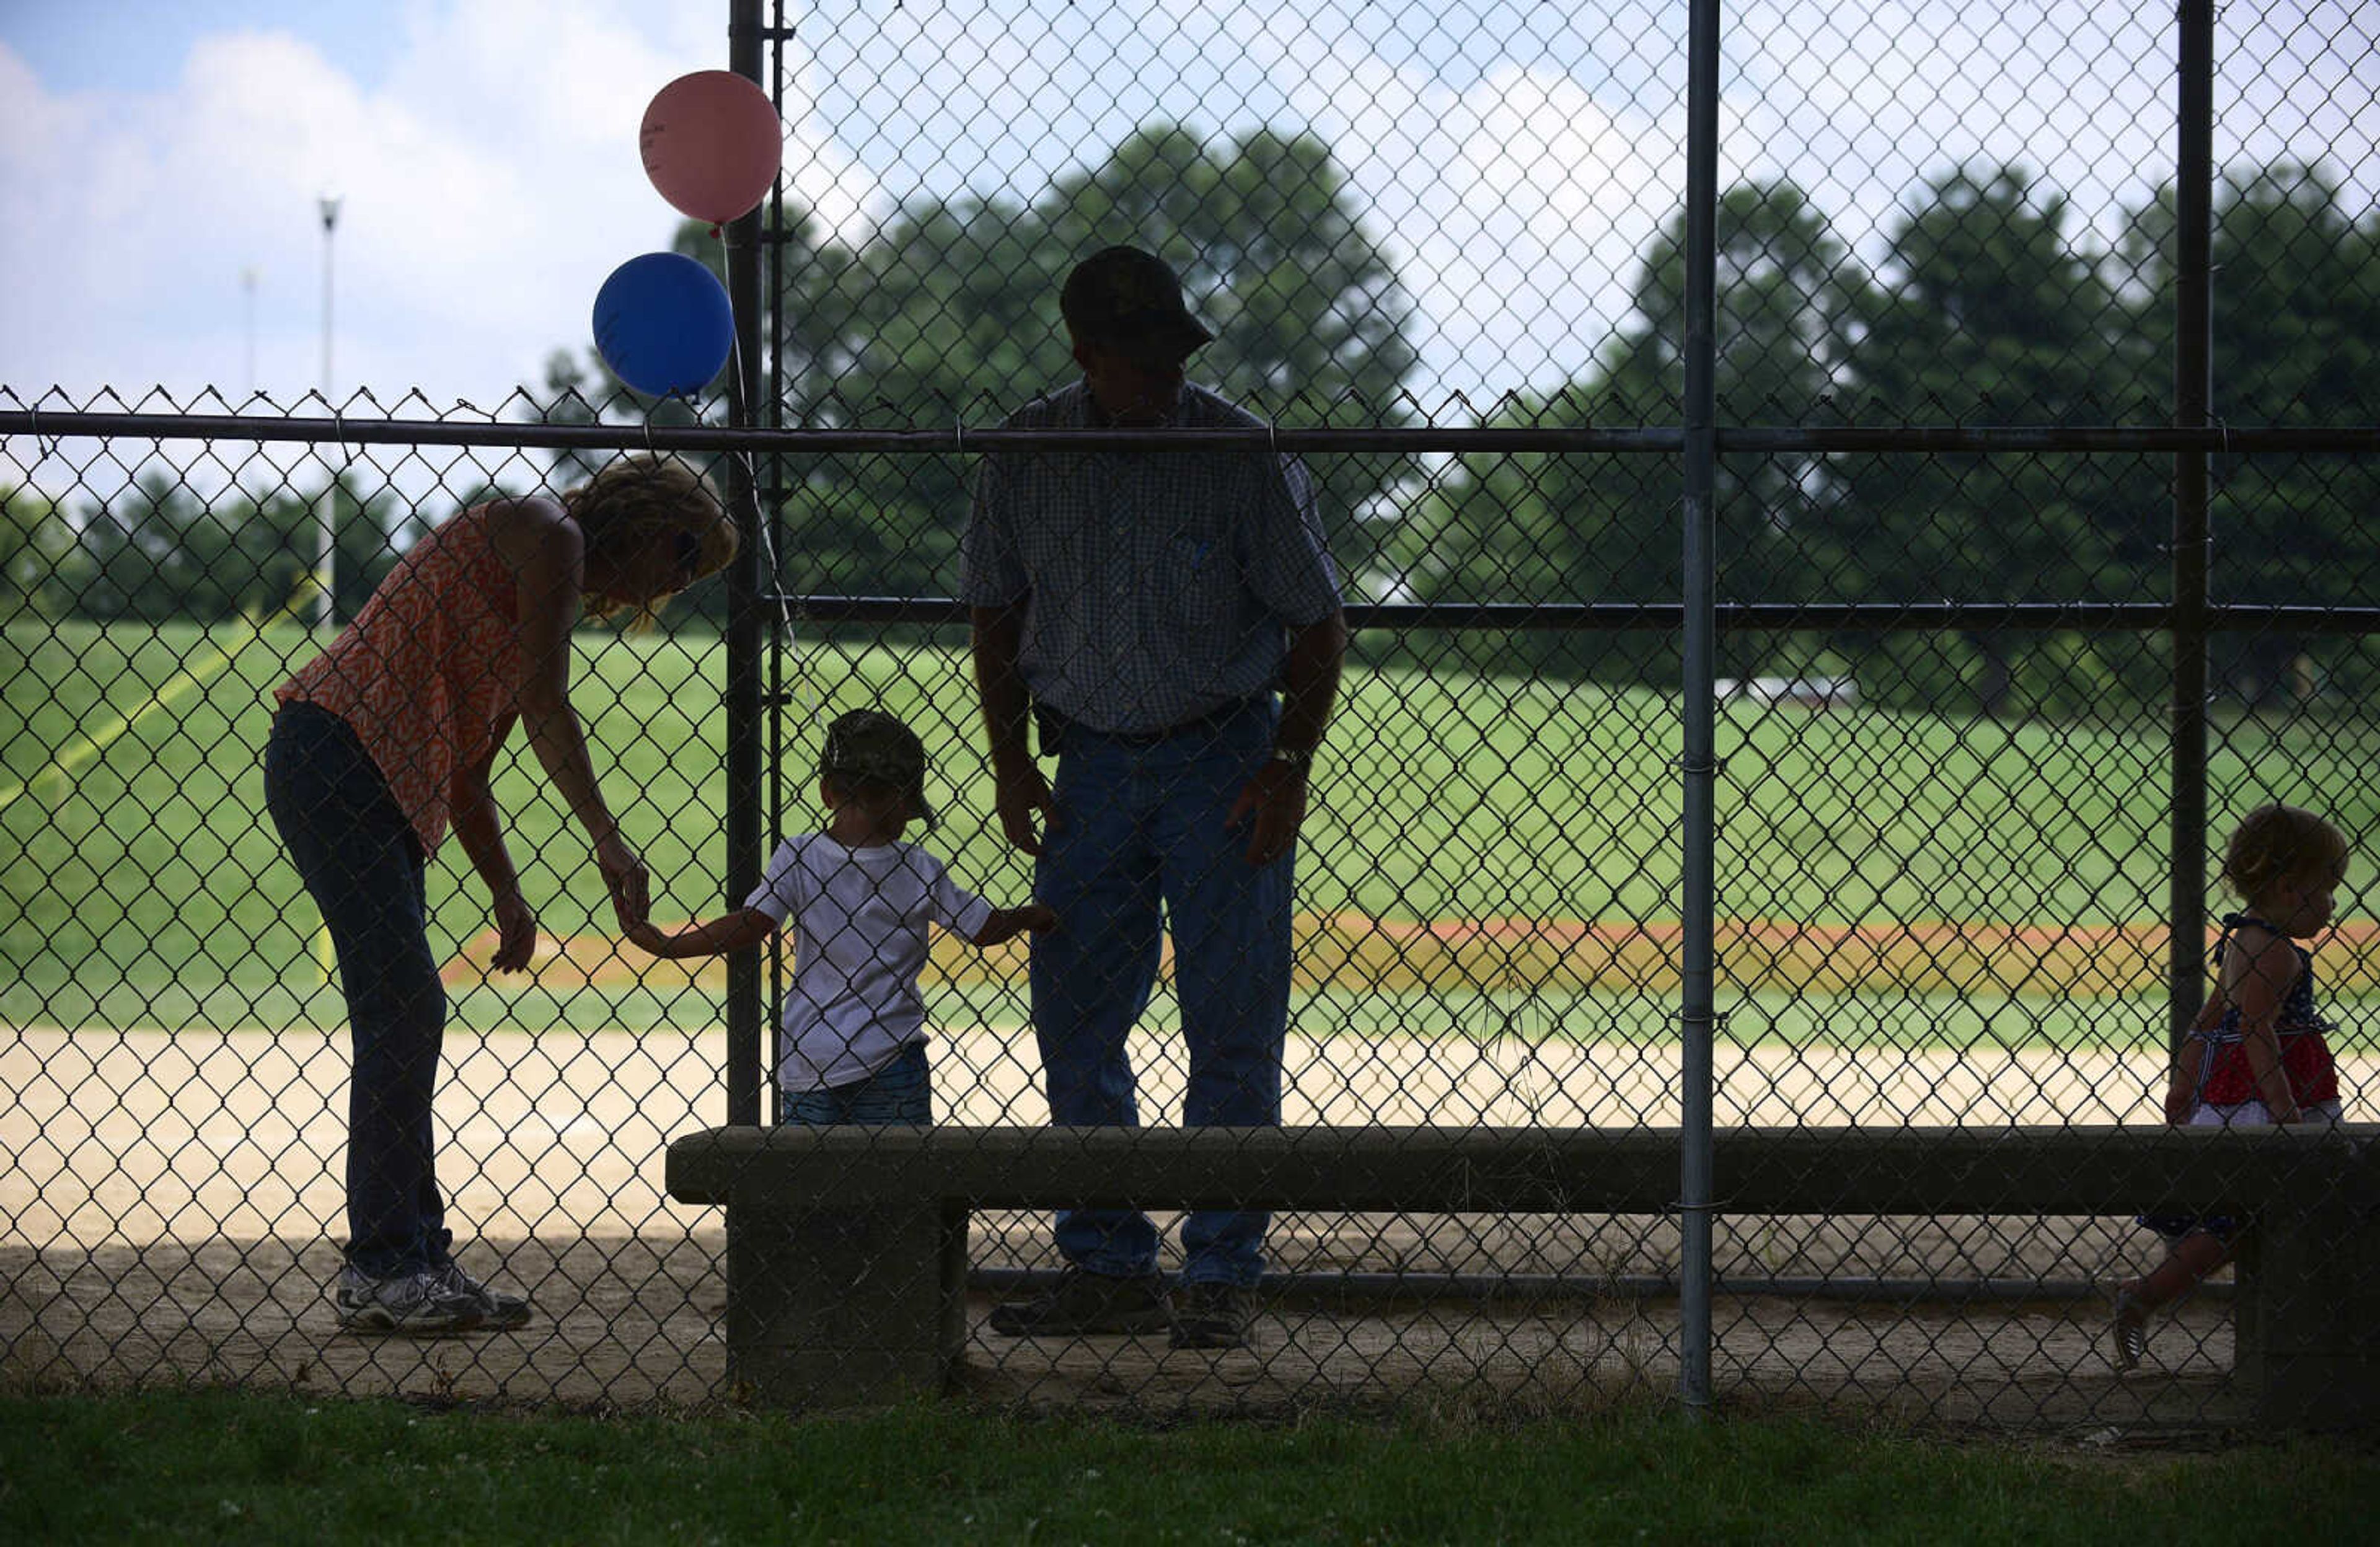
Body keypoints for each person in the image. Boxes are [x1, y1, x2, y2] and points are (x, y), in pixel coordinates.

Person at [959, 243, 1349, 1350]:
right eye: (1139, 362)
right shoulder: (1028, 453)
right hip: (1085, 760)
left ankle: (1223, 1269)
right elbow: (994, 611)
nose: (1163, 379)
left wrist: (1286, 765)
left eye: (1174, 356)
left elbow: (1319, 626)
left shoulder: (1239, 453)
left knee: (1232, 1015)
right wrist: (1009, 760)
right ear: (1083, 355)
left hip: (1220, 757)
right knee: (1076, 1012)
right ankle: (1109, 1261)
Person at [264, 454, 736, 1335]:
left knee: (406, 1015)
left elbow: (473, 768)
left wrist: (507, 895)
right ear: (654, 529)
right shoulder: (546, 534)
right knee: (404, 1011)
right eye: (683, 563)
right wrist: (608, 838)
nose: (668, 590)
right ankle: (384, 1268)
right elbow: (549, 707)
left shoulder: (541, 584)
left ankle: (417, 1260)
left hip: (368, 777)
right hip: (337, 760)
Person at [624, 708, 1056, 1123]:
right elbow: (983, 929)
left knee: (810, 1182)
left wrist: (668, 945)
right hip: (893, 1057)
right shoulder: (919, 867)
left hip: (812, 1056)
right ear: (906, 802)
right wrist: (1033, 916)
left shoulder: (799, 856)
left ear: (828, 792)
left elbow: (751, 924)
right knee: (902, 1180)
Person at [2110, 802, 2350, 1370]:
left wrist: (2185, 1078)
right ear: (2291, 889)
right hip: (2259, 1101)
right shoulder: (2275, 952)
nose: (2334, 905)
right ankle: (2143, 1296)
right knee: (2242, 1217)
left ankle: (2151, 1297)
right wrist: (2284, 1109)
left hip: (2231, 1093)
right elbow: (2255, 1029)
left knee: (2242, 1216)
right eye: (2328, 891)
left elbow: (2209, 1018)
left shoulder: (2242, 938)